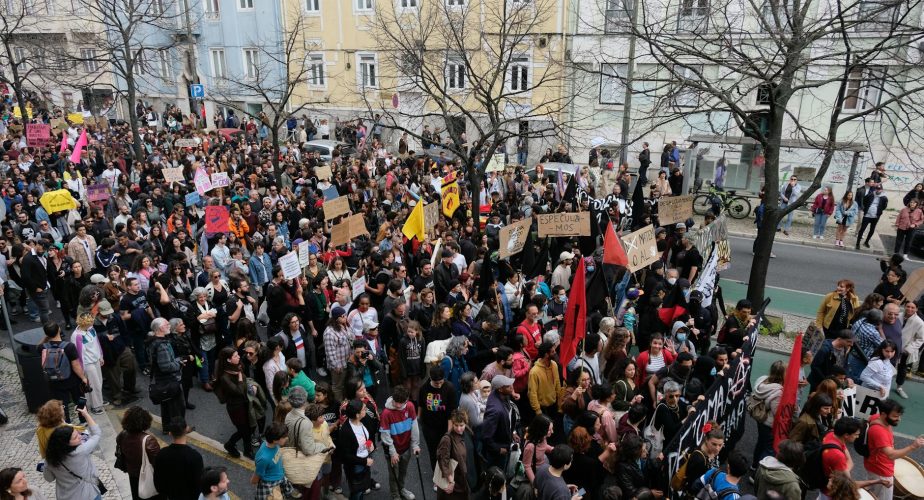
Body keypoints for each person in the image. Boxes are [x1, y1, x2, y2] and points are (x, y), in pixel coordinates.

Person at [864, 399, 924, 500]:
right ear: (883, 414)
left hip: (874, 466)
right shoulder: (879, 432)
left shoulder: (876, 417)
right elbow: (891, 455)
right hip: (881, 471)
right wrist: (913, 446)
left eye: (899, 416)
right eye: (895, 416)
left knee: (873, 493)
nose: (899, 419)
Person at [818, 417, 888, 499]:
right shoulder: (837, 455)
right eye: (856, 434)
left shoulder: (831, 434)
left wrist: (845, 470)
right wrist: (877, 481)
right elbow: (850, 484)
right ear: (846, 435)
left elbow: (850, 462)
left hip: (825, 488)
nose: (857, 437)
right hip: (830, 494)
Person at [42, 407, 103, 500]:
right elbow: (97, 434)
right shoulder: (81, 451)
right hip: (89, 495)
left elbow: (49, 478)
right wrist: (86, 415)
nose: (80, 436)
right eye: (75, 437)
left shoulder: (50, 458)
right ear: (66, 443)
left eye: (77, 433)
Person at [39, 321, 88, 424]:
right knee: (79, 400)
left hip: (54, 381)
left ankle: (67, 424)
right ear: (59, 330)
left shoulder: (42, 347)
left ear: (46, 333)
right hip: (72, 380)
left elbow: (38, 346)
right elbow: (76, 365)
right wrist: (83, 378)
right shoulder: (69, 346)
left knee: (62, 405)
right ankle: (84, 420)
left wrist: (47, 336)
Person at [379, 386, 421, 500]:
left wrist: (415, 444)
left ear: (406, 400)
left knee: (403, 472)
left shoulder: (410, 406)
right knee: (394, 475)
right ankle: (395, 495)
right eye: (396, 402)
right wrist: (392, 452)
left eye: (401, 403)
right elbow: (385, 435)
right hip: (393, 450)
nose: (398, 405)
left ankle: (401, 489)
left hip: (406, 448)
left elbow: (414, 426)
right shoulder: (386, 413)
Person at [115, 406, 161, 500]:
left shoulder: (122, 435)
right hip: (148, 478)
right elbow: (158, 463)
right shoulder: (149, 440)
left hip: (132, 476)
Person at [154, 416, 204, 500]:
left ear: (170, 433)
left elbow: (158, 482)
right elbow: (198, 484)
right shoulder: (195, 456)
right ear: (186, 429)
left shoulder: (161, 454)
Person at [418, 365, 458, 467]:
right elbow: (421, 405)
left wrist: (449, 433)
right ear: (431, 379)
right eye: (436, 383)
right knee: (433, 452)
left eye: (441, 382)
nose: (439, 385)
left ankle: (446, 471)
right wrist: (419, 419)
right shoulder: (424, 388)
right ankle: (436, 472)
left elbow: (452, 412)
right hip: (429, 427)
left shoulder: (449, 388)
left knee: (446, 451)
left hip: (444, 426)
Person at [481, 374, 520, 471]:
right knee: (497, 473)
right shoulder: (495, 410)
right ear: (500, 389)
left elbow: (507, 418)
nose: (512, 387)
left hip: (505, 441)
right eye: (508, 386)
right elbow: (486, 435)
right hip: (497, 453)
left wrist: (512, 432)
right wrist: (498, 449)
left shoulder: (502, 395)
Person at [254, 422, 301, 500]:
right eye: (284, 437)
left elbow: (275, 459)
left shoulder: (274, 445)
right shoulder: (264, 458)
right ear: (275, 440)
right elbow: (255, 478)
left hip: (279, 477)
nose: (287, 438)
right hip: (270, 484)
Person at [339, 399, 375, 500]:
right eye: (364, 409)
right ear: (357, 414)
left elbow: (366, 437)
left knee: (362, 489)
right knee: (357, 492)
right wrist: (364, 461)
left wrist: (370, 444)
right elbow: (346, 456)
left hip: (365, 460)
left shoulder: (363, 420)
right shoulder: (346, 431)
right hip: (356, 466)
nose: (366, 410)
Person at [750, 361, 784, 469]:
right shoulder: (778, 391)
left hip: (761, 418)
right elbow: (776, 412)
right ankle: (759, 473)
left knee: (760, 443)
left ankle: (754, 465)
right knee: (769, 449)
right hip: (769, 423)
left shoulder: (762, 381)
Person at [436, 410, 470, 500]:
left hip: (463, 481)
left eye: (461, 425)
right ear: (453, 424)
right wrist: (451, 482)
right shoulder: (447, 439)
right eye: (456, 425)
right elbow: (443, 462)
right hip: (454, 483)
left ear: (465, 424)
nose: (459, 429)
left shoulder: (467, 433)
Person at [896, 301, 924, 399]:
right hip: (892, 346)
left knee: (902, 369)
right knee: (887, 366)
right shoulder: (898, 315)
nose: (909, 309)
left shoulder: (919, 322)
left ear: (916, 309)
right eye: (908, 306)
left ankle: (899, 387)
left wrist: (908, 349)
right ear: (904, 306)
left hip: (906, 350)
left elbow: (921, 339)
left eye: (912, 307)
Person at [856, 184, 888, 249]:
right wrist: (865, 209)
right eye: (877, 189)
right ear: (875, 189)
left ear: (882, 190)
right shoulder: (871, 194)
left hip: (875, 216)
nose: (878, 190)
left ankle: (866, 242)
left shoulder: (884, 198)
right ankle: (858, 243)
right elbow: (864, 201)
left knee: (872, 229)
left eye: (879, 189)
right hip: (867, 215)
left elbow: (884, 206)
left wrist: (879, 211)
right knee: (862, 228)